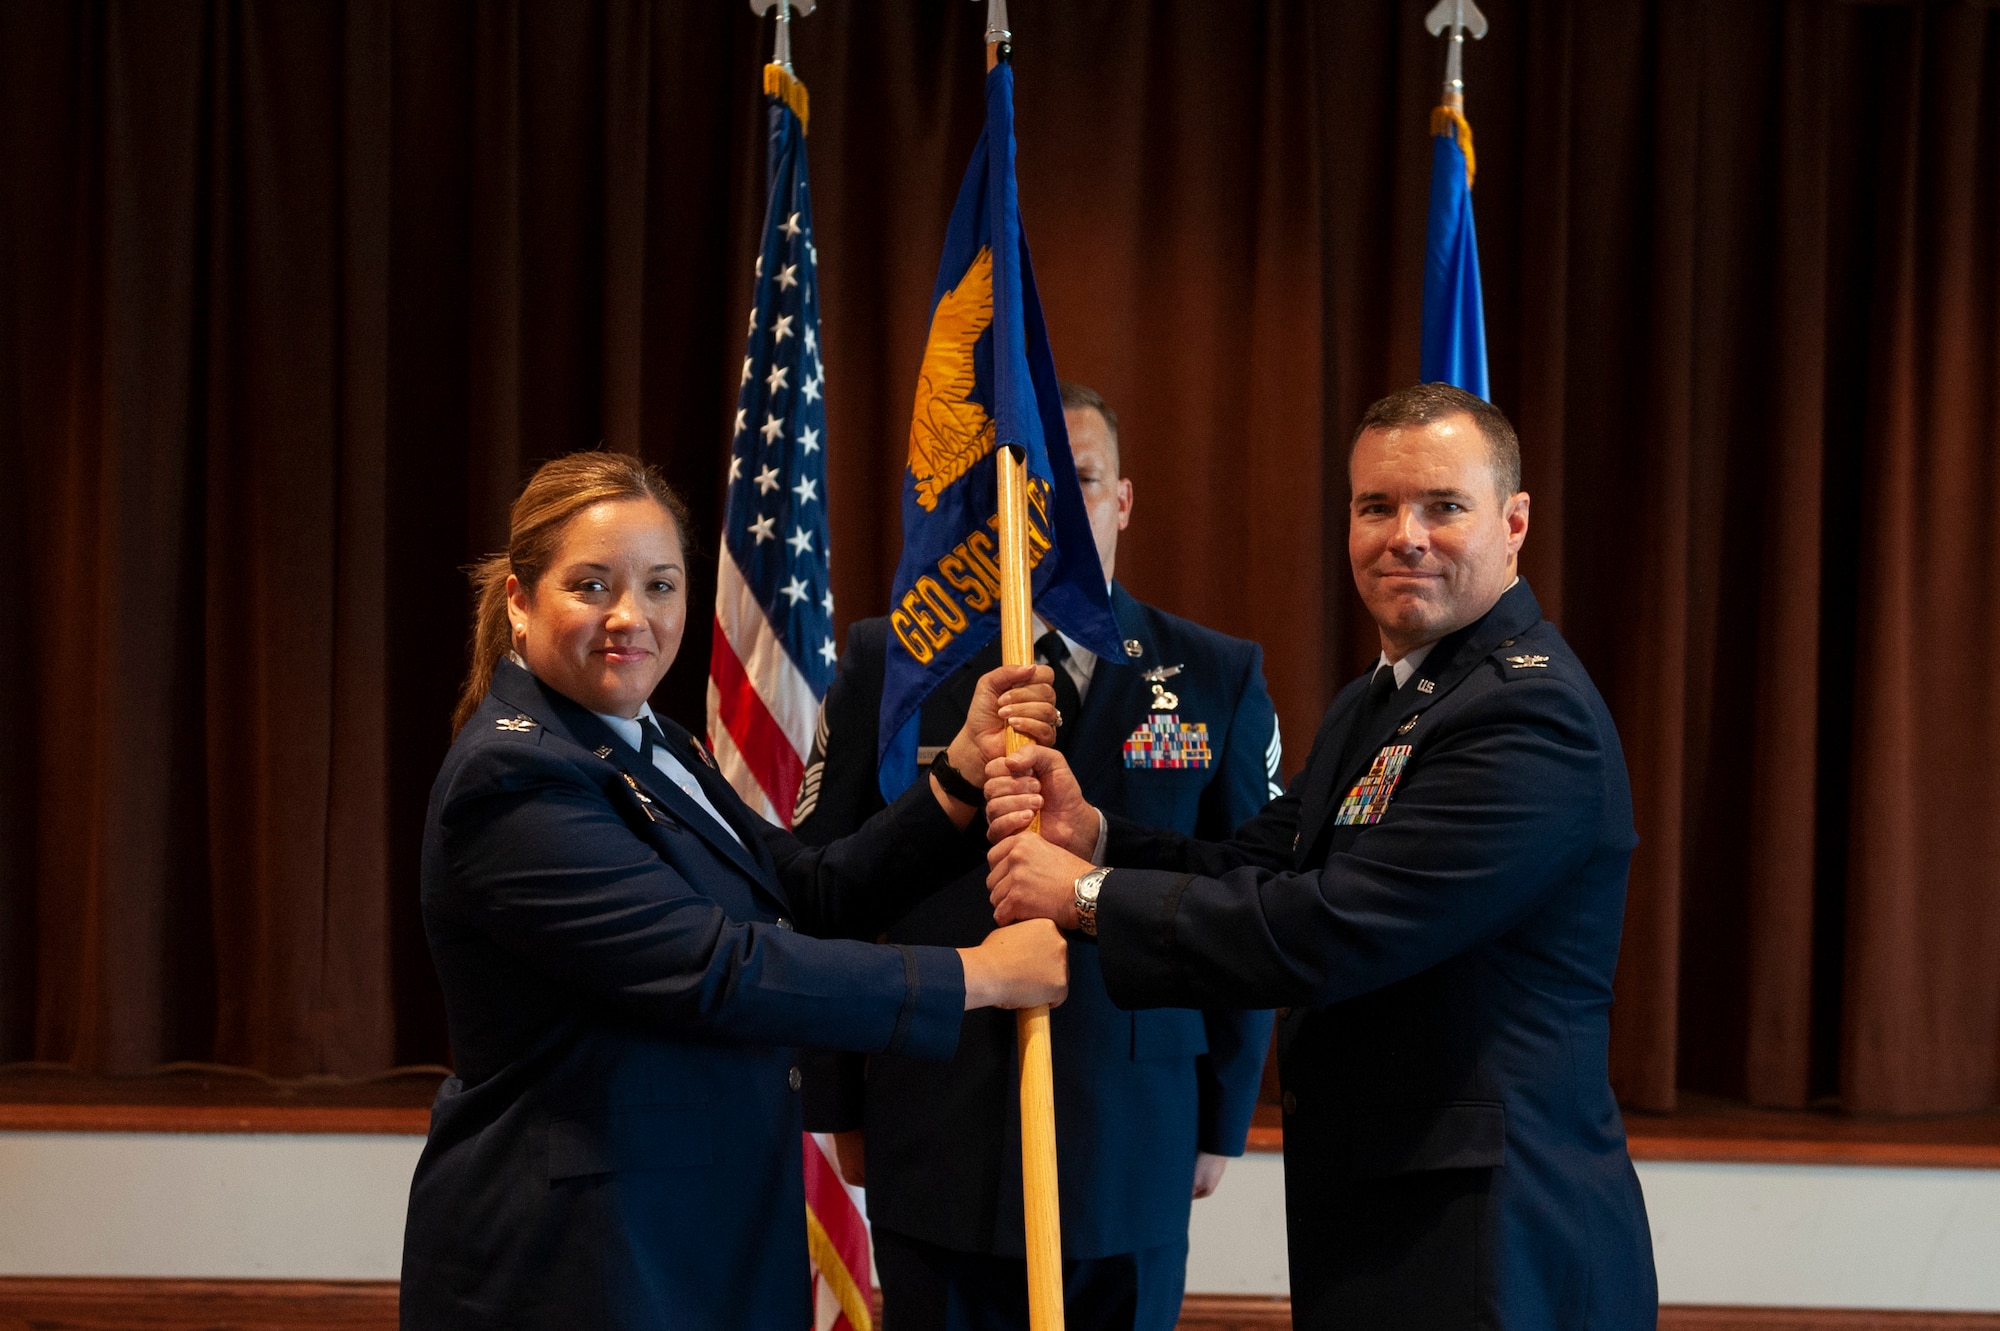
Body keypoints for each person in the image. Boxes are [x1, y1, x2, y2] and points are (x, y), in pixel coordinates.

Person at [983, 383, 1658, 1330]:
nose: (1403, 534)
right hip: (1390, 1221)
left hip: (1495, 1250)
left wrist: (1086, 895)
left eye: (1443, 506)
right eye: (1375, 506)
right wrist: (1093, 834)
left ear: (1514, 523)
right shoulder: (1379, 700)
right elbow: (1260, 860)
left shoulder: (1528, 717)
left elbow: (1334, 926)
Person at [400, 451, 1069, 1331]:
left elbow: (805, 890)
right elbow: (721, 970)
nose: (630, 617)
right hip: (581, 1262)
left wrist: (960, 782)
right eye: (592, 585)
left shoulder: (655, 742)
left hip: (698, 1235)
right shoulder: (513, 778)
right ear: (521, 602)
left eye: (661, 585)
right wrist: (979, 975)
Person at [792, 383, 1279, 1331]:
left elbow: (1247, 895)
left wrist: (1223, 1111)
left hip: (1132, 1124)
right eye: (1021, 495)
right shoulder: (889, 664)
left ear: (1124, 500)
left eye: (1080, 483)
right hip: (932, 1121)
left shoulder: (1217, 674)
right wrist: (837, 1098)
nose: (1048, 517)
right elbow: (823, 890)